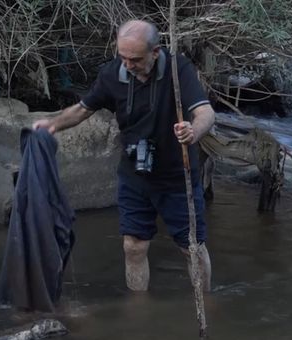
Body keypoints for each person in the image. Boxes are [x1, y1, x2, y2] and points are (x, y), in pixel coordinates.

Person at [33, 20, 215, 292]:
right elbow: (83, 109)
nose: (128, 65)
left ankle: (206, 304)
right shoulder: (112, 74)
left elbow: (206, 113)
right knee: (133, 245)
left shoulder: (178, 70)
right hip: (134, 175)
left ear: (155, 52)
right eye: (123, 57)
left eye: (136, 59)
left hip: (177, 175)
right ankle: (139, 311)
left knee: (192, 247)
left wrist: (193, 131)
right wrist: (53, 124)